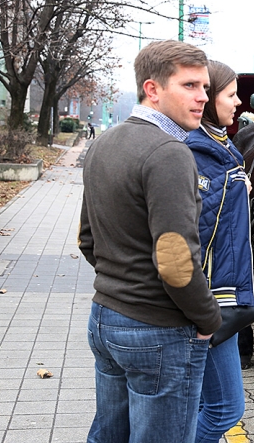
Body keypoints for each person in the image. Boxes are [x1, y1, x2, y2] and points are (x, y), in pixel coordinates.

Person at [79, 40, 221, 443]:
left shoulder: (103, 142)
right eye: (190, 85)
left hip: (105, 318)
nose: (202, 98)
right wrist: (209, 318)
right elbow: (176, 262)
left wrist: (122, 280)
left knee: (109, 436)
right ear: (152, 89)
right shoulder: (170, 153)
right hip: (158, 333)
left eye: (206, 88)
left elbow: (86, 238)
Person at [184, 61, 250, 442]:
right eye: (230, 94)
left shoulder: (222, 150)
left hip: (217, 297)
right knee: (227, 407)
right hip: (211, 302)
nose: (238, 102)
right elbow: (196, 237)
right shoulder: (201, 156)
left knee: (202, 403)